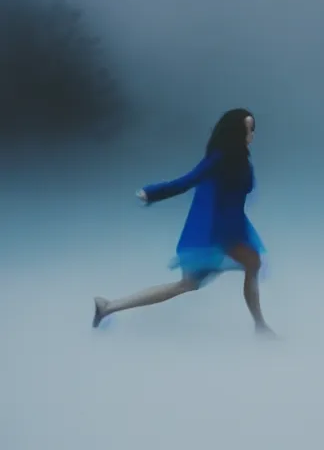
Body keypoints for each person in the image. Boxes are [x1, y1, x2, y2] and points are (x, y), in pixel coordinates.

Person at [91, 108, 274, 335]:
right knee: (252, 263)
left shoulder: (239, 158)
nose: (253, 134)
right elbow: (187, 181)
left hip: (231, 227)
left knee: (187, 285)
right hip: (220, 231)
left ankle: (109, 306)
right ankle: (261, 327)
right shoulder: (220, 158)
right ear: (237, 131)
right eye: (249, 129)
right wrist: (152, 193)